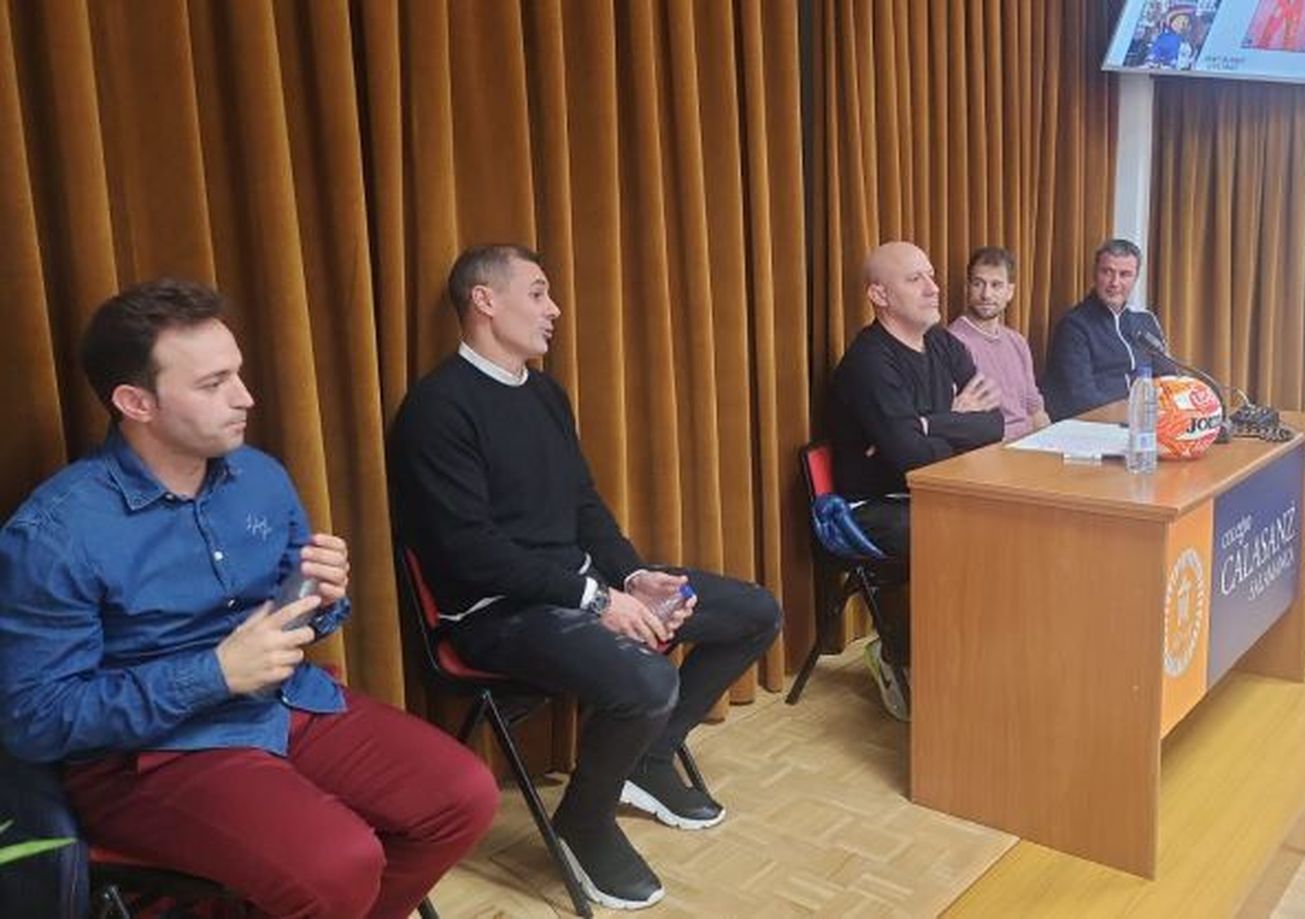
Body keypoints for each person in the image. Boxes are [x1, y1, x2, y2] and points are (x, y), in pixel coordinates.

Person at [0, 280, 498, 919]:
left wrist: (323, 597)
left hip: (285, 703)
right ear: (136, 402)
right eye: (214, 384)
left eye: (236, 373)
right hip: (151, 755)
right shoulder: (56, 533)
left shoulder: (260, 477)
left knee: (464, 797)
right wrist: (213, 674)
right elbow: (36, 720)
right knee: (341, 863)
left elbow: (297, 616)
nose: (245, 397)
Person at [387, 244, 782, 911]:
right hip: (493, 613)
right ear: (485, 300)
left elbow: (583, 504)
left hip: (580, 588)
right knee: (647, 680)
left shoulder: (546, 394)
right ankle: (583, 820)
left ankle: (651, 757)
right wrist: (595, 598)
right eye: (538, 292)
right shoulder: (437, 409)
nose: (555, 310)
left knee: (755, 612)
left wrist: (634, 576)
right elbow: (468, 552)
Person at [828, 241, 1005, 719]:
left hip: (934, 490)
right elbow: (910, 459)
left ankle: (985, 664)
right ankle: (901, 654)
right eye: (915, 279)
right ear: (880, 296)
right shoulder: (869, 363)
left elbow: (994, 424)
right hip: (873, 504)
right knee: (961, 537)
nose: (933, 288)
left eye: (931, 275)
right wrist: (954, 420)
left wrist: (927, 424)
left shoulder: (942, 343)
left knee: (1014, 526)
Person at [1040, 238, 1181, 420]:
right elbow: (1082, 399)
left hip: (1147, 420)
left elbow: (1169, 376)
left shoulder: (1145, 320)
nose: (1115, 282)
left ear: (1136, 278)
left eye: (1125, 274)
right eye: (1107, 272)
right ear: (1095, 274)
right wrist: (1133, 415)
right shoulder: (1074, 325)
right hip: (1097, 423)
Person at [947, 246, 1051, 442]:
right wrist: (1027, 429)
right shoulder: (953, 342)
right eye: (978, 284)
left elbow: (1036, 409)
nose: (986, 294)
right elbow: (963, 424)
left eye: (996, 285)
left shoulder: (1017, 341)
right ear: (967, 287)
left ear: (1009, 292)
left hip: (1029, 442)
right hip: (990, 447)